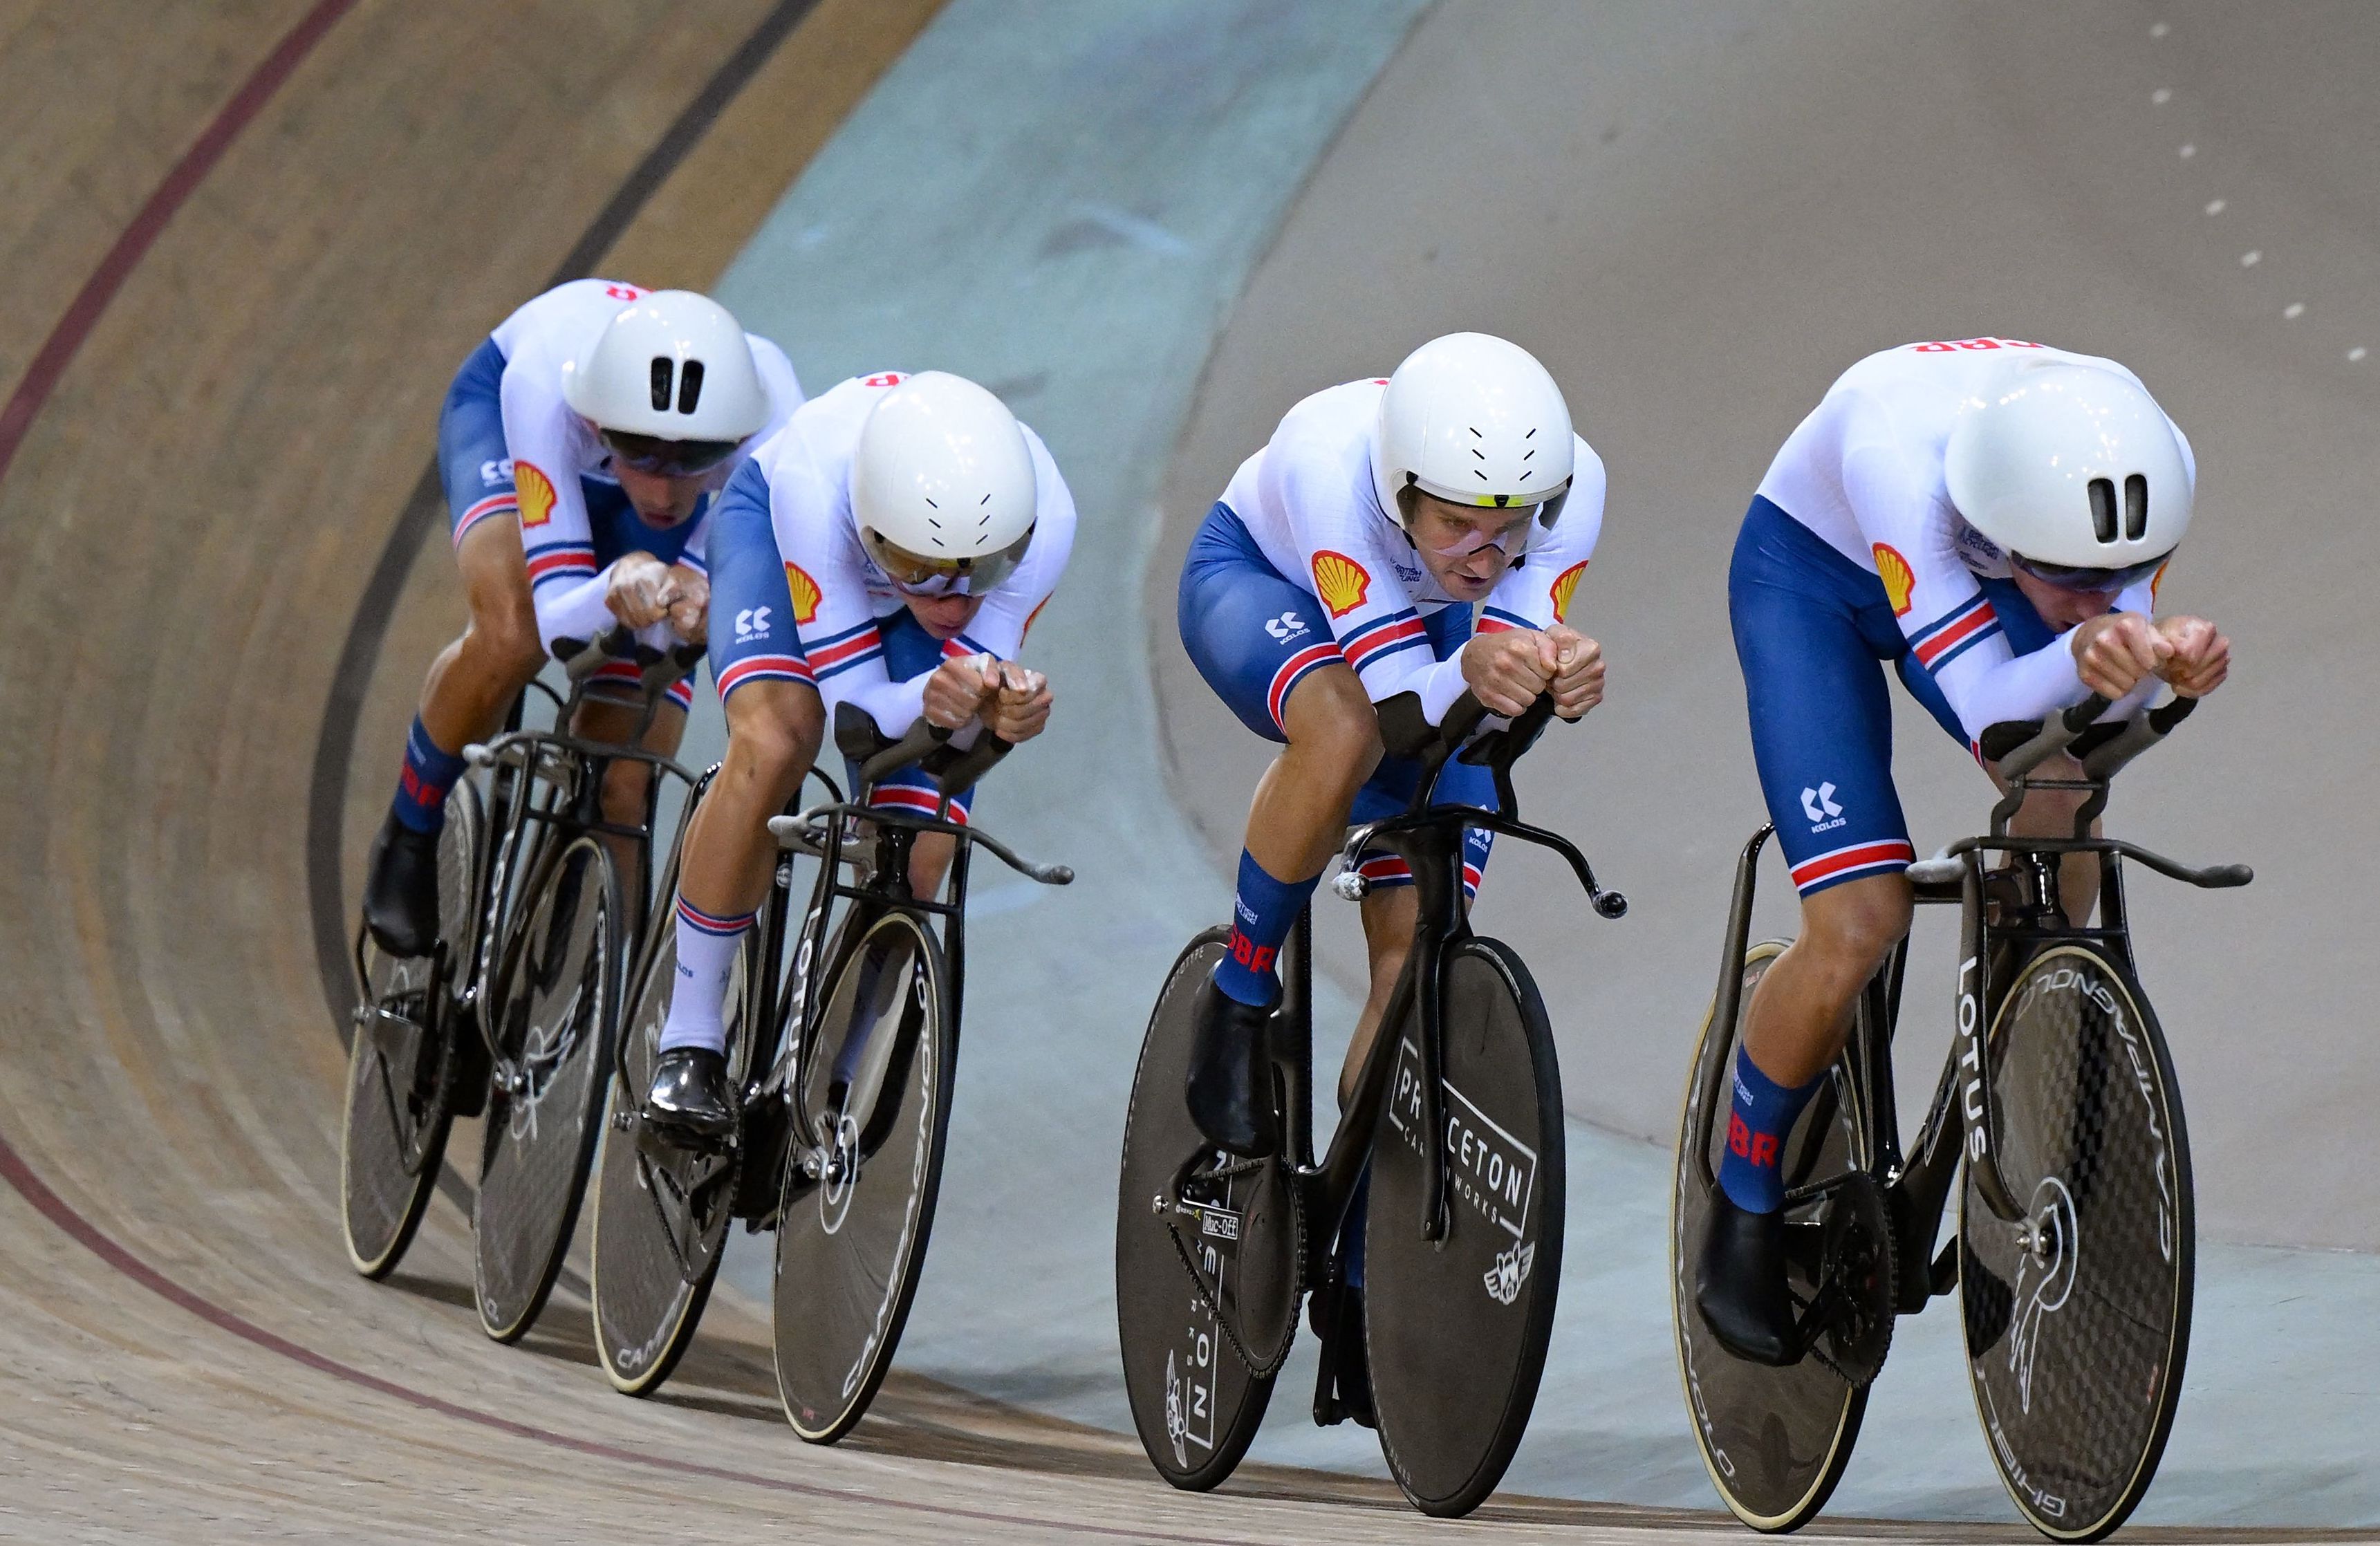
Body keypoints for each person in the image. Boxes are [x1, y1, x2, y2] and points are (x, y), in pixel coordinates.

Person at [1698, 337, 2232, 1365]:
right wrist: (2094, 649)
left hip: (1981, 579)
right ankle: (1743, 1195)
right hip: (1813, 583)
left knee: (2066, 796)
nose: (2097, 593)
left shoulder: (2147, 464)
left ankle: (2022, 1084)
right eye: (2072, 579)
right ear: (1999, 530)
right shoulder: (1895, 455)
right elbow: (1991, 707)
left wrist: (2164, 660)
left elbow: (2092, 695)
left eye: (2115, 577)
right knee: (1859, 919)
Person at [1175, 330, 1606, 1153]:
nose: (1486, 559)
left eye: (1510, 528)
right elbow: (1404, 714)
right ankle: (1238, 991)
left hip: (1413, 629)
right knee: (1345, 730)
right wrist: (1478, 665)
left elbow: (1478, 715)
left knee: (1415, 966)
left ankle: (1362, 1233)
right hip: (1260, 581)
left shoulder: (1572, 490)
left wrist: (1551, 676)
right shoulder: (1327, 466)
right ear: (1399, 490)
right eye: (1456, 525)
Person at [640, 370, 1076, 1138]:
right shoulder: (815, 482)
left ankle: (826, 1083)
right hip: (781, 550)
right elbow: (855, 714)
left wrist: (1003, 710)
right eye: (922, 570)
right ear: (873, 532)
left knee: (919, 852)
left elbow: (959, 721)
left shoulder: (1044, 521)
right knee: (777, 739)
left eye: (981, 574)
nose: (952, 602)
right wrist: (938, 698)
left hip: (891, 590)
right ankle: (690, 1037)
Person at [360, 281, 801, 956]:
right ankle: (410, 828)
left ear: (737, 437)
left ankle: (579, 1000)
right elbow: (561, 624)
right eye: (641, 451)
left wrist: (696, 591)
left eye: (691, 459)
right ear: (598, 423)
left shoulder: (775, 425)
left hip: (661, 514)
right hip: (512, 434)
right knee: (512, 633)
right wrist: (622, 581)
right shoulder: (543, 384)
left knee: (626, 776)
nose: (662, 487)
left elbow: (738, 591)